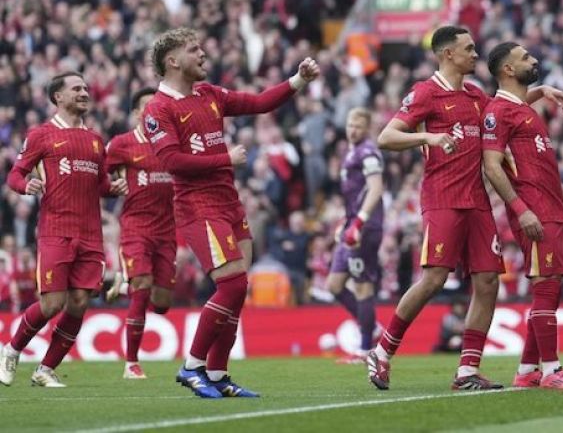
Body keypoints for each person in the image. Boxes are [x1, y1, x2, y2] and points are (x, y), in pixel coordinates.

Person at [367, 26, 563, 390]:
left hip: (477, 201)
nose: (476, 55)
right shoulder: (425, 93)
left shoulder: (477, 96)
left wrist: (540, 91)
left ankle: (466, 371)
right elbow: (387, 137)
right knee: (433, 278)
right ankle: (382, 351)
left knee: (489, 281)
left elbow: (506, 109)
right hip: (443, 197)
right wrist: (427, 136)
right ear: (448, 54)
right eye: (469, 49)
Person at [142, 28, 319, 398]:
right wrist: (226, 158)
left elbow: (258, 103)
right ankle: (192, 366)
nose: (204, 54)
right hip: (197, 205)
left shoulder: (209, 93)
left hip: (228, 203)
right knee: (233, 283)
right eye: (194, 50)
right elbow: (172, 161)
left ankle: (219, 375)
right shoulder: (159, 108)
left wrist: (298, 80)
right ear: (173, 61)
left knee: (238, 291)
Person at [0, 72, 127, 388]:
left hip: (91, 234)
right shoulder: (41, 135)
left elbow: (100, 184)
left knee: (80, 302)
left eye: (85, 88)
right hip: (55, 230)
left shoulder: (97, 140)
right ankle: (11, 349)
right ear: (58, 96)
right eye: (77, 89)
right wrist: (26, 185)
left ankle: (45, 370)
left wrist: (114, 188)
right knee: (52, 304)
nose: (84, 93)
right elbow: (15, 175)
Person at [482, 41, 563, 390]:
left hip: (550, 208)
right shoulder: (498, 112)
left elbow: (542, 172)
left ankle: (529, 368)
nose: (534, 60)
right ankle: (551, 370)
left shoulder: (522, 110)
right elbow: (491, 166)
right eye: (525, 58)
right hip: (533, 211)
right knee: (545, 287)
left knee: (552, 286)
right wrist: (520, 209)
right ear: (508, 70)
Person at [105, 87, 176, 380]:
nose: (153, 111)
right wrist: (112, 186)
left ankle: (125, 287)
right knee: (143, 284)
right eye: (148, 106)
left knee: (161, 304)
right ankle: (131, 363)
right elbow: (100, 173)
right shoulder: (122, 144)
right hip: (136, 227)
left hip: (167, 230)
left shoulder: (172, 144)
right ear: (136, 113)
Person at [326, 107, 385, 363]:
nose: (353, 130)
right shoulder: (350, 152)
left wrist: (359, 222)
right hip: (352, 224)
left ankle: (364, 350)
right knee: (334, 285)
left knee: (362, 286)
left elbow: (375, 189)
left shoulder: (369, 153)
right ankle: (370, 327)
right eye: (350, 124)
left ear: (367, 128)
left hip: (364, 228)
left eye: (358, 126)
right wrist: (346, 221)